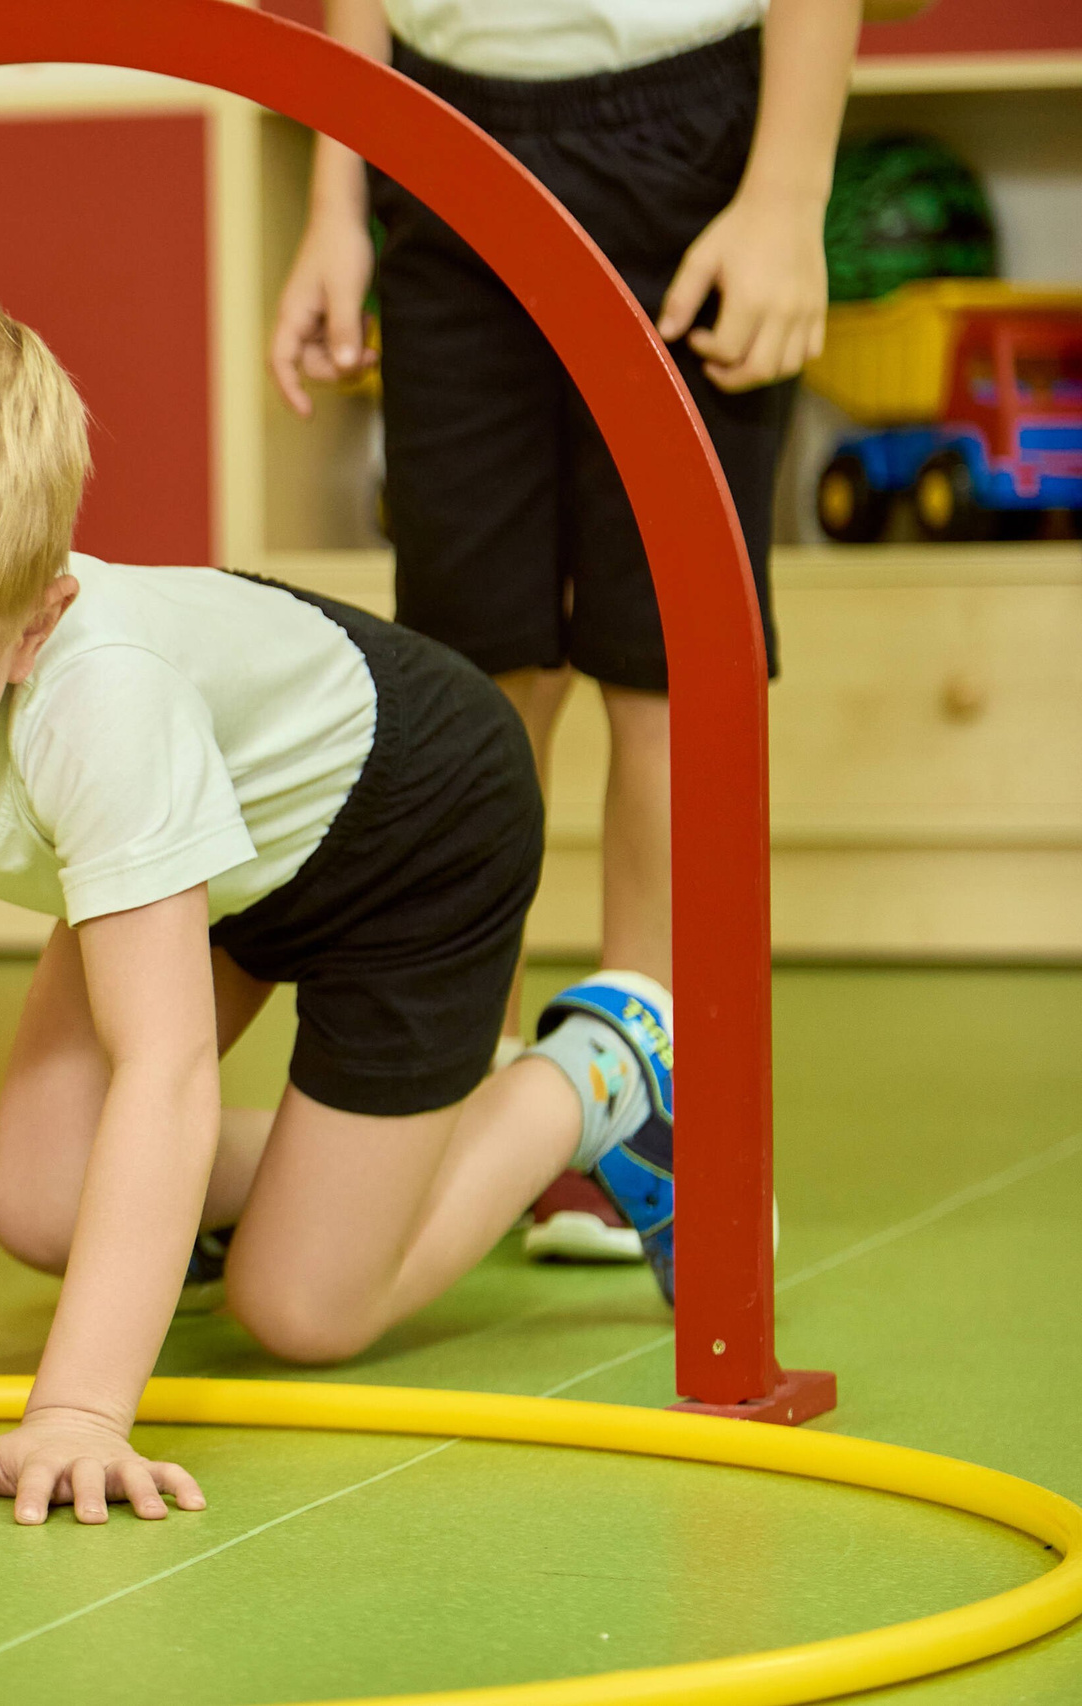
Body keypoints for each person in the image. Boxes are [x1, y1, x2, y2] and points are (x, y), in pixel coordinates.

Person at [0, 264, 677, 1526]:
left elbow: (168, 1068)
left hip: (416, 825)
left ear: (30, 630)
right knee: (38, 1201)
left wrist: (78, 1410)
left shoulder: (101, 703)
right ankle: (341, 1175)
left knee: (300, 1308)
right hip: (220, 841)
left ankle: (595, 1072)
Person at [269, 0, 857, 1262]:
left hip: (688, 132)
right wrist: (334, 206)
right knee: (468, 658)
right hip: (432, 132)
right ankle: (457, 1109)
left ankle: (654, 1100)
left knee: (668, 657)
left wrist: (788, 193)